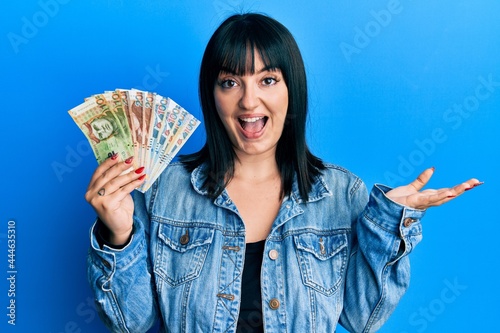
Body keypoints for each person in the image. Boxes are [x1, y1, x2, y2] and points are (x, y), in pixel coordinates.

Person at [85, 13, 481, 333]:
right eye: (230, 82)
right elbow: (129, 323)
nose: (249, 100)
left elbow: (365, 319)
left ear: (292, 89)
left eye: (268, 79)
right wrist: (118, 236)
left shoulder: (341, 194)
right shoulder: (163, 190)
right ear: (213, 96)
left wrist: (386, 223)